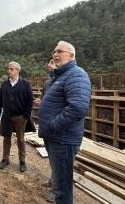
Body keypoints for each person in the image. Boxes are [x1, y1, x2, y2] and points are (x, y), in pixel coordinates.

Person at [38, 41, 91, 204]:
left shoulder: (77, 75)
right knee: (59, 181)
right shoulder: (59, 76)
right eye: (54, 51)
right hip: (55, 137)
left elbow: (78, 108)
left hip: (63, 139)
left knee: (62, 190)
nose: (55, 54)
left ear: (71, 55)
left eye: (60, 51)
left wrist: (53, 126)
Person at [0, 61, 34, 172]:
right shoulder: (4, 84)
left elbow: (30, 100)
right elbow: (0, 100)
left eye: (11, 69)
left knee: (20, 139)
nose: (9, 71)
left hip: (20, 117)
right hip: (7, 116)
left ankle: (22, 161)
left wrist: (26, 115)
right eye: (8, 69)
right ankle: (5, 159)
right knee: (6, 138)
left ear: (17, 70)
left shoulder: (25, 84)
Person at [34, 56, 57, 202]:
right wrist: (40, 102)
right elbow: (45, 100)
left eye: (53, 62)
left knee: (60, 159)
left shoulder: (63, 81)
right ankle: (53, 180)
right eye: (49, 62)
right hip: (47, 126)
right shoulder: (48, 83)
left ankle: (58, 190)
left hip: (57, 127)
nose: (49, 64)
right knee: (52, 156)